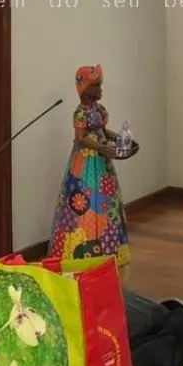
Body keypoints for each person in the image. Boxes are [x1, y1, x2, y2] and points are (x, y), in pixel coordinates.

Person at [47, 64, 138, 275]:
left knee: (104, 201)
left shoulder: (99, 110)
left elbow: (102, 131)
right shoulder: (80, 112)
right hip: (85, 163)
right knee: (84, 199)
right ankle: (80, 249)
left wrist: (120, 138)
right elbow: (80, 138)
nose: (101, 90)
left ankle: (108, 247)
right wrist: (101, 147)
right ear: (86, 89)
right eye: (97, 86)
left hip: (102, 162)